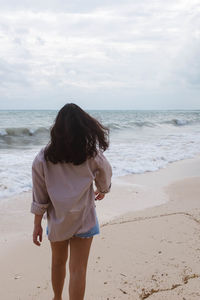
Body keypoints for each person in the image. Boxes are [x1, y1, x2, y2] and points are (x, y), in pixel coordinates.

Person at [31, 103, 112, 300]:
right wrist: (102, 190)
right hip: (85, 218)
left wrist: (37, 224)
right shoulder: (91, 154)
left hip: (58, 220)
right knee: (78, 270)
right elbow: (106, 173)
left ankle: (57, 298)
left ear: (56, 129)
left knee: (58, 263)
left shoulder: (42, 158)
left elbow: (39, 195)